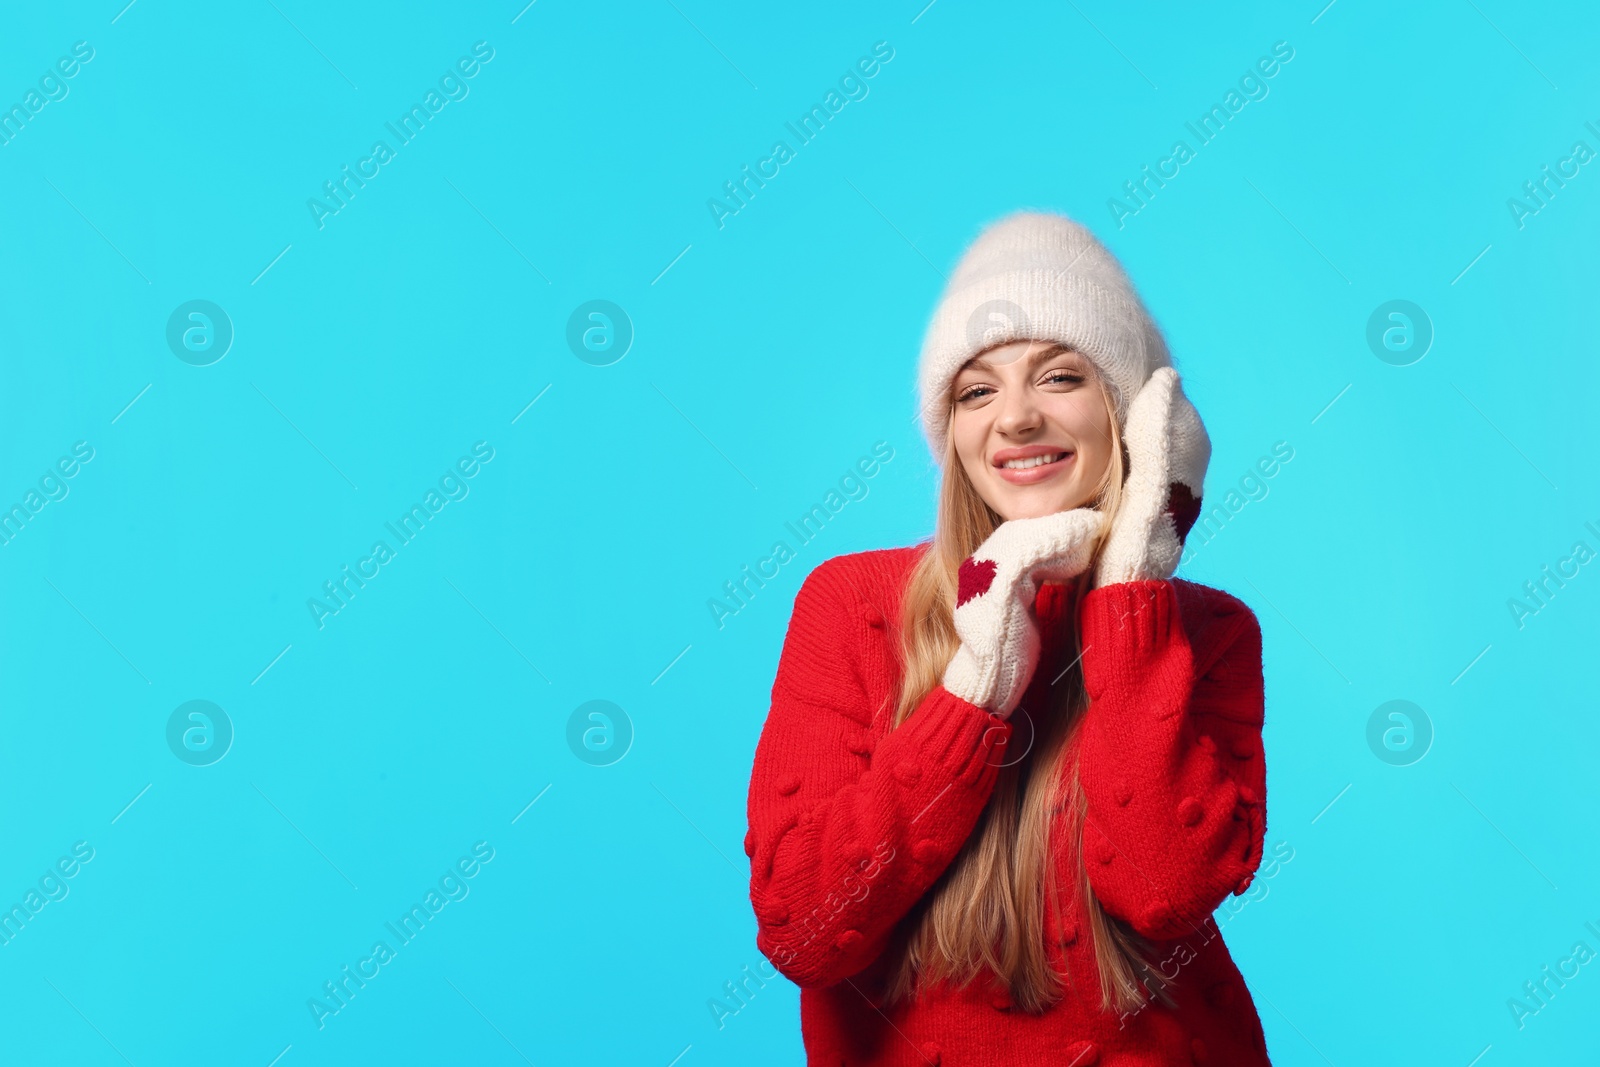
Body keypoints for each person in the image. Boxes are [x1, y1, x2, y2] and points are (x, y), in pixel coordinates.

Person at [743, 211, 1272, 1065]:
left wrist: (1131, 589)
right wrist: (973, 689)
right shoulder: (849, 602)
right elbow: (804, 928)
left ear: (1132, 418)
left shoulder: (1209, 630)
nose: (1016, 418)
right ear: (949, 431)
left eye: (1060, 377)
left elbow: (1163, 888)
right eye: (977, 390)